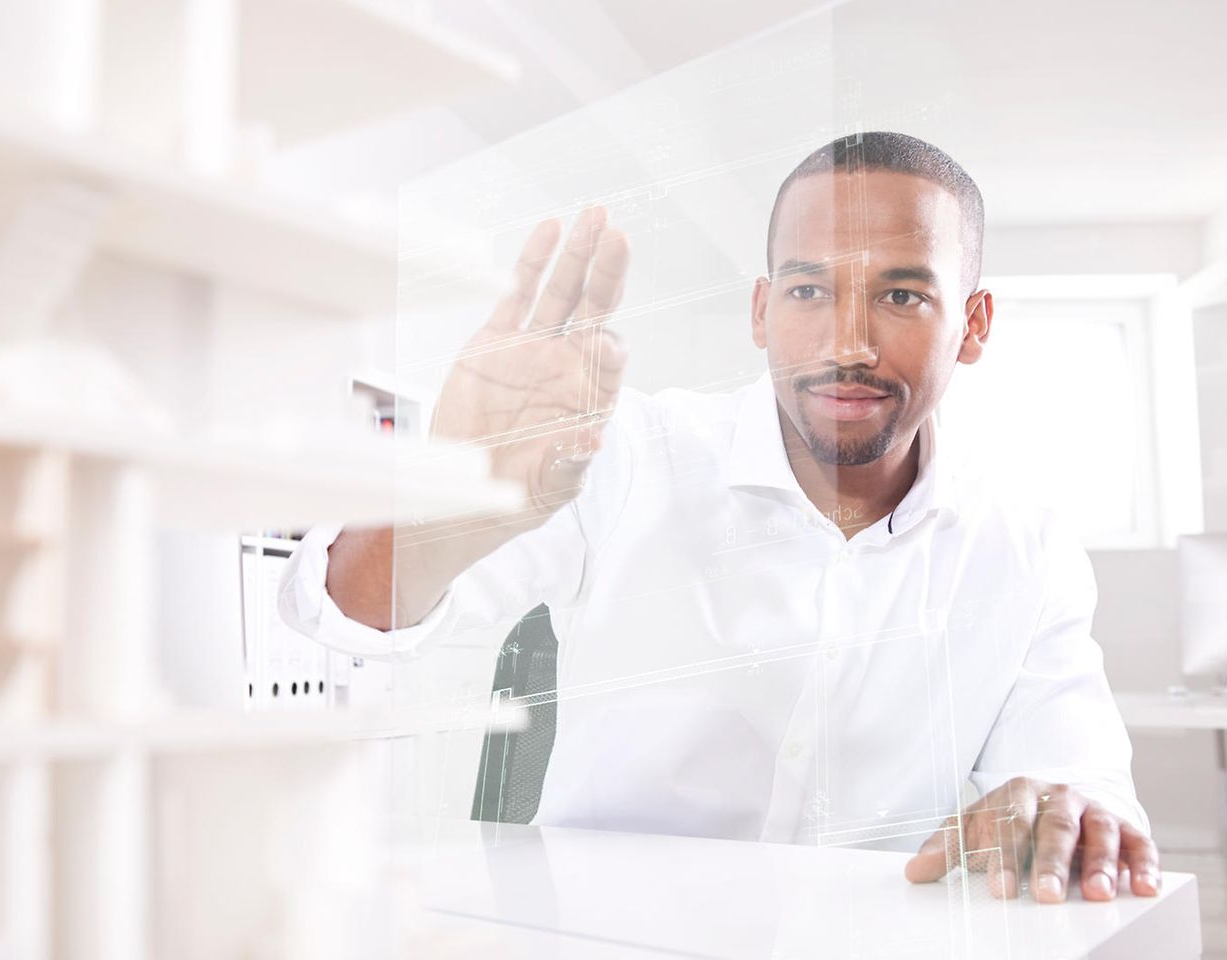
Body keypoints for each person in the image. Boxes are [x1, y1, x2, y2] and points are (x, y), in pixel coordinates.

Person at [280, 131, 1159, 904]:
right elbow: (344, 614)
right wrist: (448, 503)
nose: (848, 341)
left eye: (901, 296)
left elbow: (1079, 788)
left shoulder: (1027, 551)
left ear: (972, 323)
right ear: (760, 310)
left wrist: (1063, 807)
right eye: (810, 292)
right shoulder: (621, 455)